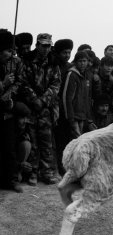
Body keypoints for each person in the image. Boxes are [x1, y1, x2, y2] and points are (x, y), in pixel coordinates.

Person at [20, 33, 61, 185]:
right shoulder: (27, 61)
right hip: (30, 107)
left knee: (46, 141)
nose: (45, 48)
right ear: (37, 45)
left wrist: (43, 100)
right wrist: (34, 99)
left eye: (48, 46)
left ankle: (47, 172)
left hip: (45, 108)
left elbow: (56, 85)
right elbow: (23, 83)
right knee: (33, 140)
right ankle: (32, 173)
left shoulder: (54, 63)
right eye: (43, 45)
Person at [0, 30, 25, 192]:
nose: (11, 54)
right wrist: (3, 83)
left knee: (9, 147)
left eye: (12, 51)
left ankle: (11, 180)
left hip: (7, 112)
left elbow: (19, 83)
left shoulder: (12, 64)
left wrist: (8, 97)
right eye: (8, 50)